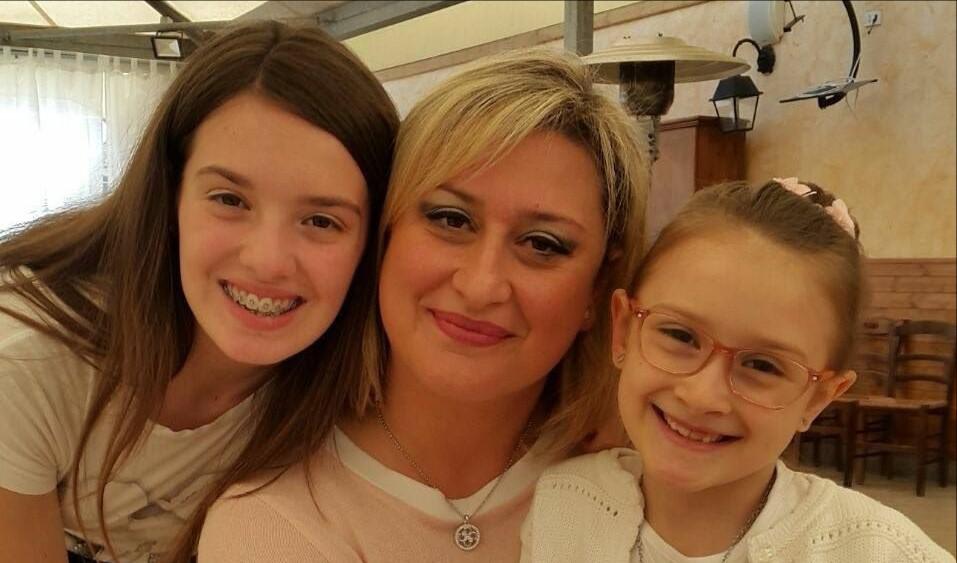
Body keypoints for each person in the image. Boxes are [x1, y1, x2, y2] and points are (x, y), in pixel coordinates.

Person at [197, 48, 650, 561]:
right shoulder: (271, 523)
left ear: (598, 289)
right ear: (384, 235)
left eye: (543, 244)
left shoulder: (648, 484)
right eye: (451, 220)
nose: (481, 286)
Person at [0, 21, 398, 563]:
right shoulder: (27, 358)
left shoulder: (363, 378)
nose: (267, 261)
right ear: (170, 196)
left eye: (322, 221)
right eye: (230, 200)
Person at [521, 178, 955, 562]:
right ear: (623, 331)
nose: (702, 396)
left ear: (818, 398)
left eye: (762, 365)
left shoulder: (882, 551)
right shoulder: (562, 503)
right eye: (680, 336)